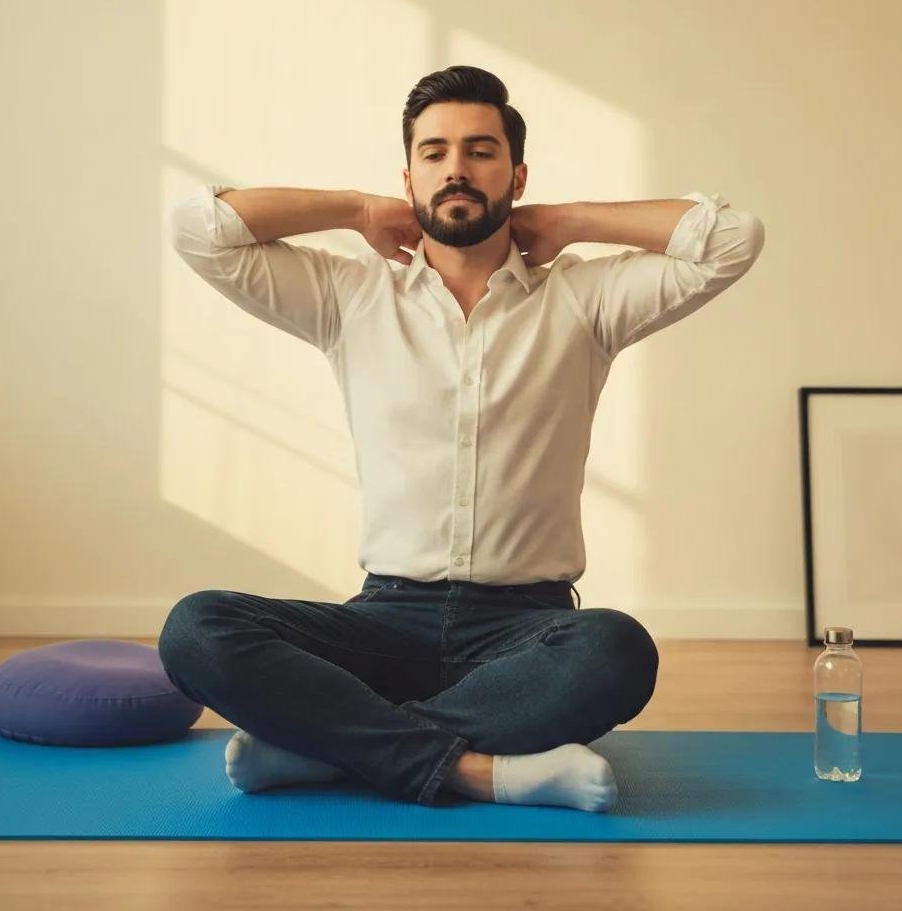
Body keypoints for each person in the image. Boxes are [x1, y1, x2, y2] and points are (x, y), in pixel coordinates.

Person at [158, 65, 766, 811]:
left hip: (527, 631)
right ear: (408, 177)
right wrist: (356, 209)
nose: (457, 169)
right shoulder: (351, 295)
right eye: (435, 152)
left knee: (616, 650)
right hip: (384, 622)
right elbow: (198, 229)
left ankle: (335, 752)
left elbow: (732, 239)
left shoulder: (586, 298)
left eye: (481, 151)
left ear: (516, 175)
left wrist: (570, 219)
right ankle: (483, 771)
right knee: (197, 629)